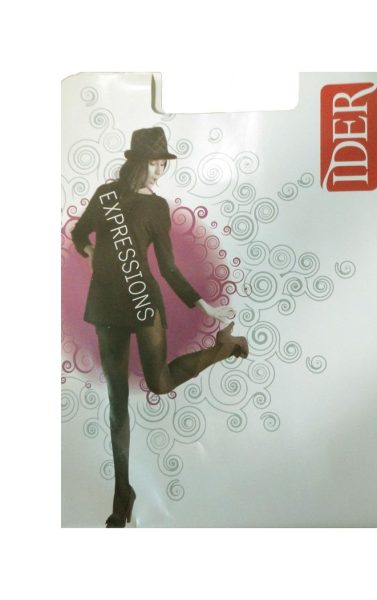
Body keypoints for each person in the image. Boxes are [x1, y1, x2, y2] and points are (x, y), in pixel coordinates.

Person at [71, 127, 248, 527]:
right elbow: (80, 233)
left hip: (142, 301)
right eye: (154, 163)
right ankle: (122, 495)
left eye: (162, 164)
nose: (159, 171)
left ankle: (225, 346)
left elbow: (167, 267)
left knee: (161, 383)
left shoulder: (156, 206)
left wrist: (204, 305)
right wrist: (90, 250)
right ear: (137, 162)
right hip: (105, 305)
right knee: (117, 403)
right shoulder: (105, 195)